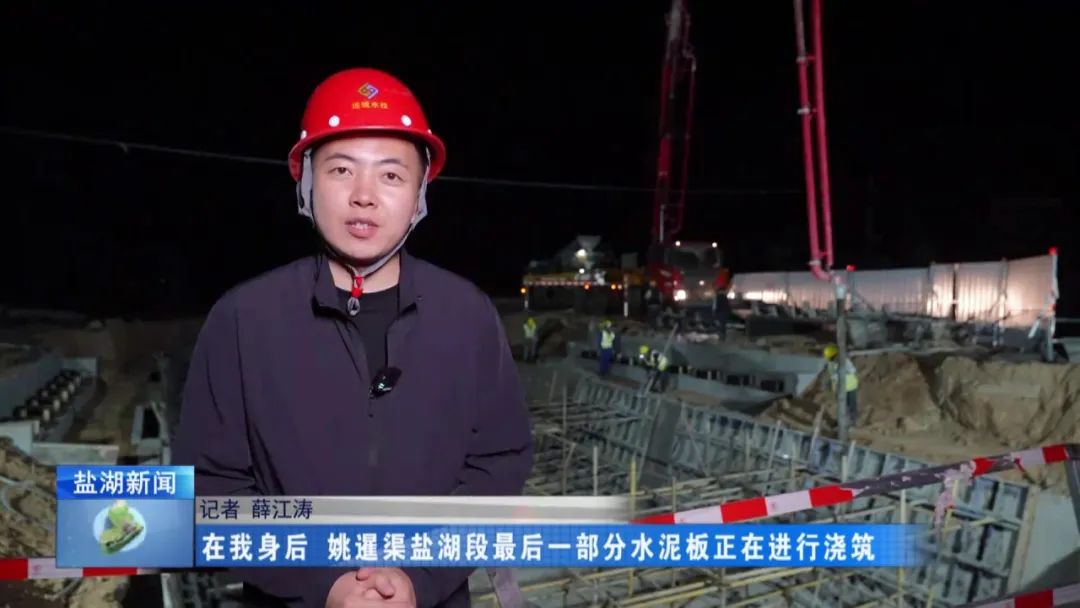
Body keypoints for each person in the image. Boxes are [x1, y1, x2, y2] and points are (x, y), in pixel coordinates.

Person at [173, 67, 534, 608]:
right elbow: (209, 485)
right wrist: (323, 584)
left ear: (419, 194)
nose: (364, 196)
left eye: (391, 175)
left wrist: (419, 578)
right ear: (307, 183)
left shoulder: (468, 315)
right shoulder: (243, 320)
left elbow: (498, 464)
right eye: (341, 169)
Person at [823, 344, 859, 426]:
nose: (833, 359)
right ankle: (842, 422)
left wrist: (841, 372)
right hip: (839, 389)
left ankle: (852, 423)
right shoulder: (831, 364)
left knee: (851, 406)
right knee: (842, 406)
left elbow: (852, 370)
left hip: (850, 387)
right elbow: (831, 375)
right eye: (831, 358)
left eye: (833, 357)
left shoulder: (845, 361)